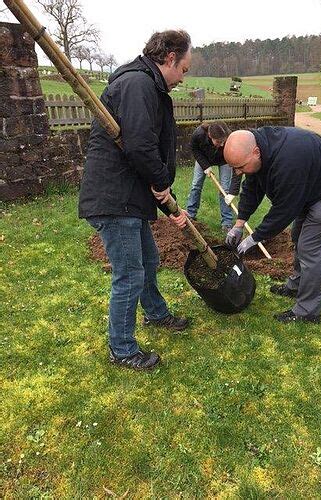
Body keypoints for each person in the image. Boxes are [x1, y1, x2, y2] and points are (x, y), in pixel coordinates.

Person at [79, 30, 192, 371]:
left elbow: (140, 148)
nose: (183, 78)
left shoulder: (146, 84)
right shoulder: (138, 84)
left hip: (129, 195)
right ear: (169, 58)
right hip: (115, 197)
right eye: (184, 69)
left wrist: (166, 200)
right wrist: (161, 184)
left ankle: (156, 314)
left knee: (148, 259)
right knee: (129, 274)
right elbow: (141, 145)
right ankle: (122, 349)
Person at [224, 127, 321, 324]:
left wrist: (254, 238)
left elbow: (284, 210)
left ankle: (307, 311)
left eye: (240, 167)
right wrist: (239, 224)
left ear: (256, 152)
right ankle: (296, 286)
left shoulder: (288, 162)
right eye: (234, 168)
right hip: (311, 185)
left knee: (312, 248)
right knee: (298, 236)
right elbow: (251, 189)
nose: (237, 172)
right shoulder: (257, 147)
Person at [186, 121, 240, 232]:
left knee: (225, 190)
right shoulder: (199, 134)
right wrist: (205, 166)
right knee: (196, 185)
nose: (222, 145)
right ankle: (190, 215)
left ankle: (227, 222)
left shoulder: (230, 137)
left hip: (224, 160)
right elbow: (194, 149)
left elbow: (235, 163)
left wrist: (232, 192)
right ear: (210, 136)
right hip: (203, 158)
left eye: (223, 141)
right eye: (219, 142)